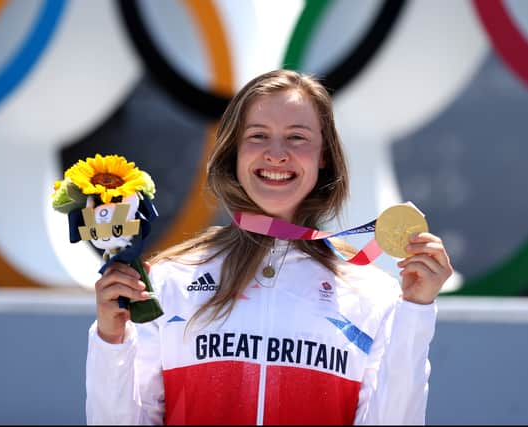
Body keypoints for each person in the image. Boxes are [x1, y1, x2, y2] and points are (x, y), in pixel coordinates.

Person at [85, 69, 453, 425]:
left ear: (324, 155)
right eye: (258, 136)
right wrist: (110, 341)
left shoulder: (372, 292)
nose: (276, 154)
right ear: (234, 151)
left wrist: (415, 314)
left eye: (297, 137)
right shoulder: (168, 280)